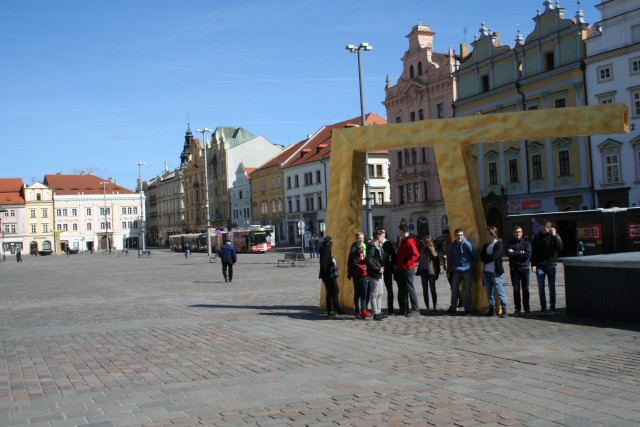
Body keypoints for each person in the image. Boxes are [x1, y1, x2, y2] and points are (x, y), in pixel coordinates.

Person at [531, 219, 563, 315]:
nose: (542, 230)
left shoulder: (554, 236)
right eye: (541, 228)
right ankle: (543, 308)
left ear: (550, 228)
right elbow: (534, 252)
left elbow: (560, 247)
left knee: (551, 287)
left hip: (551, 264)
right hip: (540, 265)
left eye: (544, 229)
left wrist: (555, 236)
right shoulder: (537, 237)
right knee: (541, 287)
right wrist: (533, 264)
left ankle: (552, 308)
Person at [447, 228, 479, 315]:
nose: (459, 237)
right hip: (457, 270)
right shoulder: (453, 245)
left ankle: (467, 309)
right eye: (458, 235)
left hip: (467, 270)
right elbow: (453, 255)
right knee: (454, 289)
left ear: (463, 235)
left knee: (467, 290)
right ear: (455, 236)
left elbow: (475, 255)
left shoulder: (467, 244)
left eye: (461, 235)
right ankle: (453, 308)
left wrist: (469, 264)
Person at [480, 226, 507, 317]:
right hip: (486, 271)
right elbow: (482, 258)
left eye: (488, 233)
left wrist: (488, 258)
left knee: (499, 291)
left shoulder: (499, 244)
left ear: (493, 234)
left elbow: (494, 256)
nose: (486, 235)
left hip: (495, 272)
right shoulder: (485, 245)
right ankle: (491, 309)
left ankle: (504, 309)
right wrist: (488, 258)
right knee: (489, 292)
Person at [395, 224, 420, 317]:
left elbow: (416, 255)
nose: (399, 233)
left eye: (399, 231)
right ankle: (404, 309)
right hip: (402, 268)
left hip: (408, 269)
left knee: (410, 288)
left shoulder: (409, 241)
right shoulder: (404, 241)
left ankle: (416, 309)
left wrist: (407, 264)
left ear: (402, 231)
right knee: (402, 290)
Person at [506, 225, 532, 316]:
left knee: (525, 289)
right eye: (516, 232)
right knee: (516, 290)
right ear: (513, 233)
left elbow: (528, 254)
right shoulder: (510, 243)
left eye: (519, 232)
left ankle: (527, 308)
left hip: (524, 269)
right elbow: (509, 254)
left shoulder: (526, 243)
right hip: (514, 269)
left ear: (522, 233)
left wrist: (515, 253)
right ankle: (517, 309)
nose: (518, 234)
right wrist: (521, 252)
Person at [318, 236, 343, 316]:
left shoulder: (327, 249)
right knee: (330, 291)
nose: (332, 244)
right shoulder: (325, 250)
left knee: (335, 290)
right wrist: (327, 272)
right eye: (331, 242)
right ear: (329, 243)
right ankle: (330, 309)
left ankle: (336, 307)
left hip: (329, 273)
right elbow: (323, 263)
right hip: (328, 274)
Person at [347, 231, 370, 319]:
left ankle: (363, 309)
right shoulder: (353, 247)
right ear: (356, 239)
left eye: (362, 238)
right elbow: (351, 258)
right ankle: (357, 311)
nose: (361, 240)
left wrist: (366, 263)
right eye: (359, 238)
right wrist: (357, 251)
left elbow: (366, 257)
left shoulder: (364, 246)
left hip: (364, 272)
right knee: (358, 293)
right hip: (356, 272)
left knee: (364, 292)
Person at [366, 229, 386, 321]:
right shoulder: (371, 246)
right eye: (383, 236)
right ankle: (375, 313)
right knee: (374, 293)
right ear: (378, 236)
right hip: (374, 273)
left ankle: (379, 311)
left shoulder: (378, 246)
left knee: (380, 293)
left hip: (380, 272)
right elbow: (369, 260)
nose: (384, 238)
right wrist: (378, 269)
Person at [442, 228, 463, 308]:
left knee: (455, 285)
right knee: (452, 286)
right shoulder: (444, 245)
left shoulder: (453, 244)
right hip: (448, 268)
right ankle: (460, 300)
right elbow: (444, 255)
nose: (445, 238)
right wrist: (444, 264)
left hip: (455, 268)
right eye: (444, 236)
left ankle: (461, 300)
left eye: (447, 236)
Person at [419, 235, 440, 314]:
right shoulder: (422, 250)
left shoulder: (432, 250)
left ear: (428, 242)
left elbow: (435, 256)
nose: (423, 244)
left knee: (433, 290)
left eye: (425, 242)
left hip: (431, 272)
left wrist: (431, 248)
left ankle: (434, 307)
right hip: (423, 271)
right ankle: (427, 307)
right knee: (425, 290)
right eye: (423, 242)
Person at [380, 229, 397, 316]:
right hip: (378, 269)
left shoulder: (388, 243)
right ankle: (377, 309)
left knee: (389, 290)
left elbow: (393, 255)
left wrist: (390, 265)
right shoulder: (376, 243)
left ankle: (390, 308)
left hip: (387, 269)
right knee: (377, 290)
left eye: (383, 233)